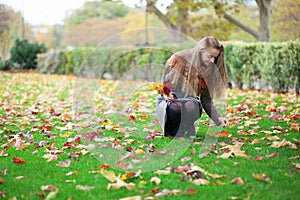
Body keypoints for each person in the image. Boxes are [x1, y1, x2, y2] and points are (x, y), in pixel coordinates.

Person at [156, 36, 228, 137]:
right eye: (210, 56)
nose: (212, 61)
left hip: (190, 101)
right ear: (200, 52)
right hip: (170, 102)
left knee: (191, 105)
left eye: (215, 58)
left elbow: (206, 99)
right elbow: (164, 84)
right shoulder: (177, 60)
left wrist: (218, 118)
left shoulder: (209, 70)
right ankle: (174, 129)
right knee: (176, 107)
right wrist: (167, 94)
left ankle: (187, 125)